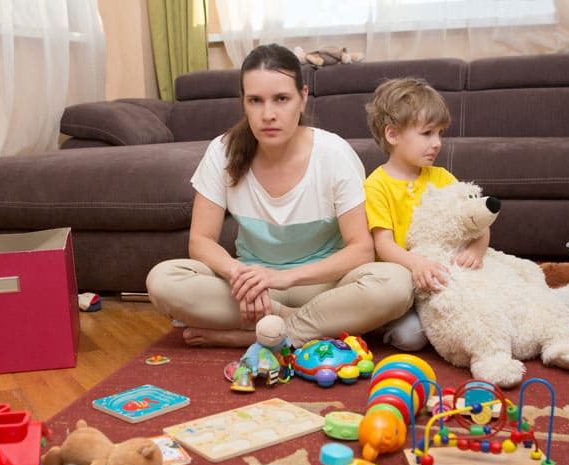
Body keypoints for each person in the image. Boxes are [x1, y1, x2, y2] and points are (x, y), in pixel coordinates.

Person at [146, 44, 413, 348]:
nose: (268, 114)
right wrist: (240, 275)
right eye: (256, 101)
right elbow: (201, 241)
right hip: (251, 290)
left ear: (303, 98)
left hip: (323, 287)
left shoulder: (335, 153)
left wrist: (284, 279)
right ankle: (301, 327)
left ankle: (255, 336)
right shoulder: (222, 151)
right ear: (243, 103)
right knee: (162, 280)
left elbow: (361, 250)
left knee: (396, 284)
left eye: (282, 99)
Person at [364, 77, 490, 351]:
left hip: (443, 275)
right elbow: (383, 244)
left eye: (440, 133)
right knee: (411, 338)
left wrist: (477, 251)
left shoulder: (442, 177)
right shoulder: (376, 185)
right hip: (403, 281)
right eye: (427, 133)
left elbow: (478, 220)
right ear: (393, 134)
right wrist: (417, 264)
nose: (437, 143)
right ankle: (388, 319)